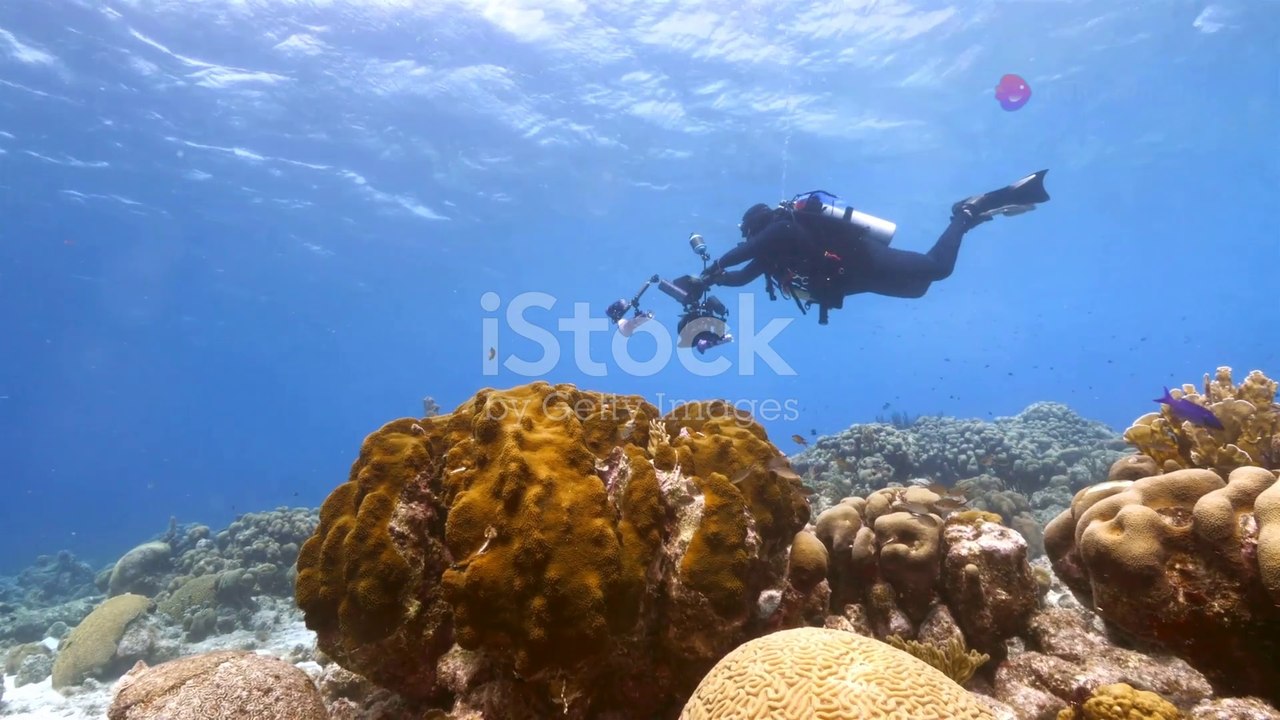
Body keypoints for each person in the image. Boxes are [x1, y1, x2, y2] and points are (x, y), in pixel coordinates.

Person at [675, 171, 1048, 325]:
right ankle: (968, 220)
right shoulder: (772, 256)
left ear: (756, 224)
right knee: (918, 288)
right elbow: (741, 277)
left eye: (748, 233)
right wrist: (716, 280)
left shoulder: (781, 228)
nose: (747, 241)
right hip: (852, 279)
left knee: (938, 269)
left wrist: (710, 271)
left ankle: (964, 213)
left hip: (861, 258)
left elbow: (743, 253)